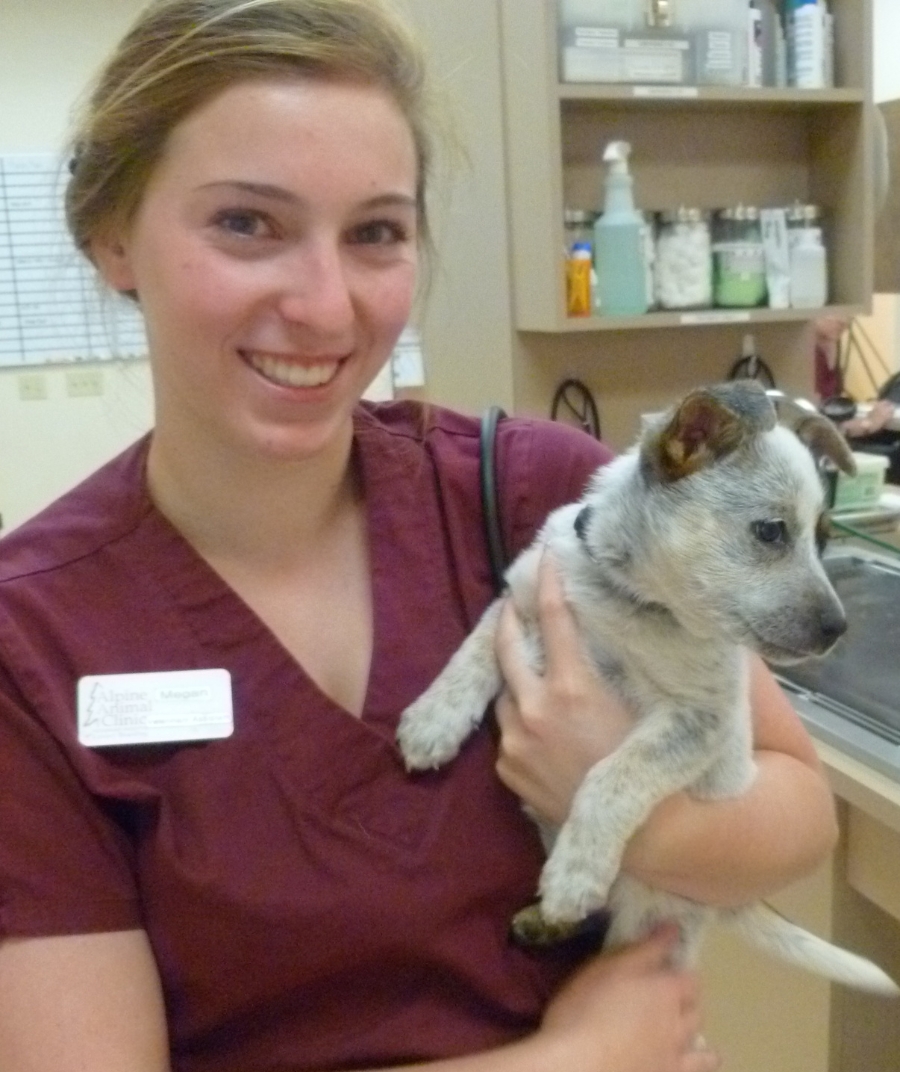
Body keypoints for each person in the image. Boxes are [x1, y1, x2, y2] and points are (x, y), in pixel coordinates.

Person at [0, 2, 838, 1070]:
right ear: (112, 235)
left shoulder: (530, 494)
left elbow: (800, 802)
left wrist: (635, 816)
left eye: (375, 233)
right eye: (247, 224)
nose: (325, 305)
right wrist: (573, 1059)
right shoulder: (35, 641)